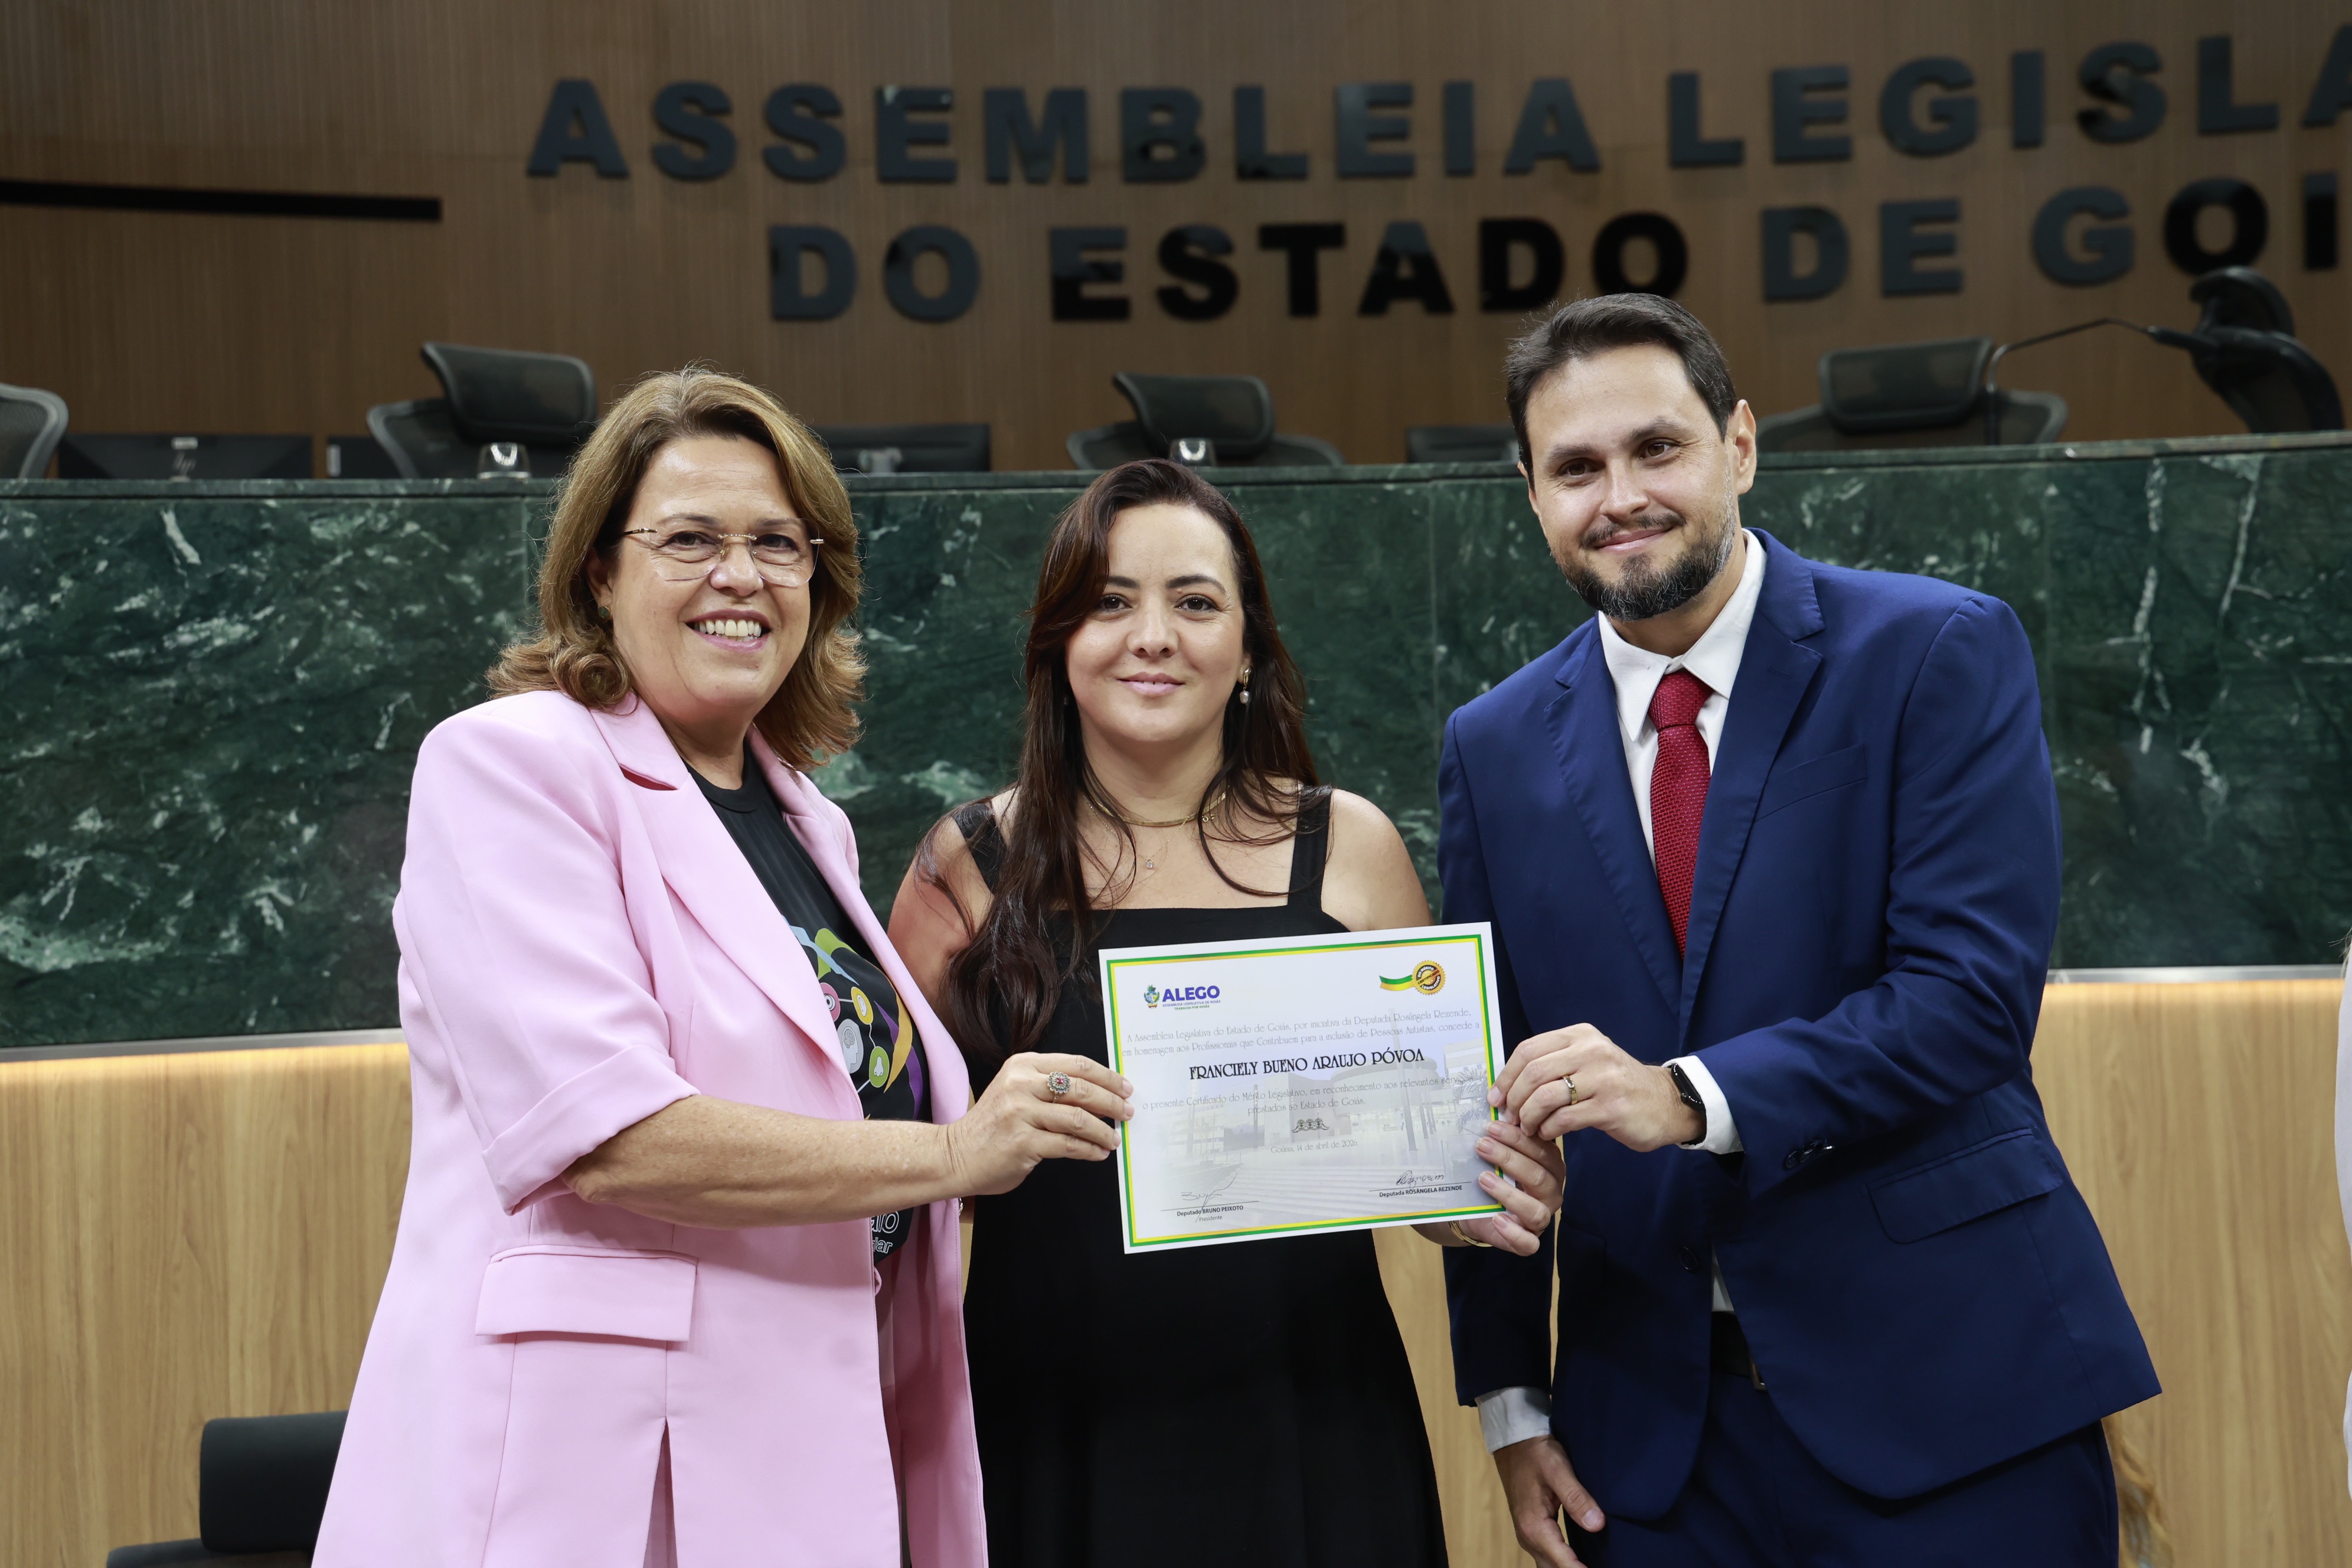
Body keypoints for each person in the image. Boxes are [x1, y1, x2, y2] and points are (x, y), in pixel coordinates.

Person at [315, 368, 1131, 1568]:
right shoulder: (511, 763)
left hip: (795, 1440)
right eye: (690, 539)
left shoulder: (809, 824)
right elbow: (608, 1136)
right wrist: (957, 1153)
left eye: (777, 543)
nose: (740, 575)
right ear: (600, 570)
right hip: (589, 1466)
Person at [1438, 296, 2160, 1567]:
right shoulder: (1490, 745)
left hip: (1951, 1396)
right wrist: (1510, 1397)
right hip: (1650, 1444)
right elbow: (1491, 1092)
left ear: (1740, 445)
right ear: (1531, 492)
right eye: (1577, 467)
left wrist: (1687, 1095)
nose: (1622, 496)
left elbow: (1972, 999)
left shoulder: (1934, 649)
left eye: (1658, 448)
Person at [888, 458, 1567, 1568]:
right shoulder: (966, 866)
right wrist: (969, 1148)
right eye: (1111, 602)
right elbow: (886, 1171)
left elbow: (1434, 1166)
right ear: (1059, 643)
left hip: (1314, 1411)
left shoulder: (1350, 849)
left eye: (1196, 602)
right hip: (1050, 1419)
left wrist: (1473, 1195)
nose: (1153, 636)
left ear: (1248, 650)